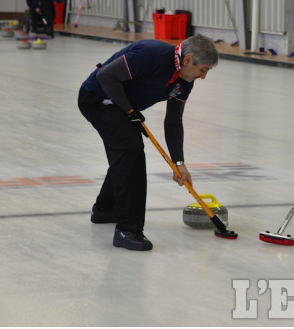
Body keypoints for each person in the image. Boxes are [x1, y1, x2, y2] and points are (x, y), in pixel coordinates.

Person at [78, 34, 219, 250]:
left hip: (122, 106)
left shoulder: (184, 80)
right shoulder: (152, 55)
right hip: (98, 99)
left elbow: (173, 121)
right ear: (188, 59)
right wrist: (129, 110)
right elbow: (106, 76)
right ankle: (128, 230)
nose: (203, 77)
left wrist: (179, 163)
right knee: (130, 150)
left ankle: (106, 209)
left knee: (125, 152)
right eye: (203, 70)